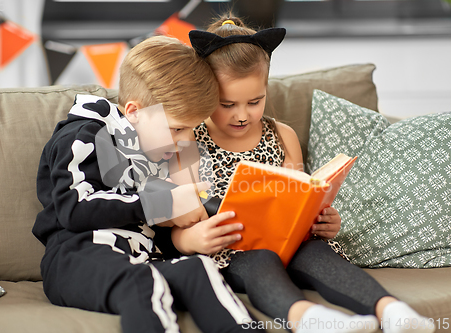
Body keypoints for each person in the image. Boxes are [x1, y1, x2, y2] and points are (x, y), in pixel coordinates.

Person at [168, 15, 436, 333]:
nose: (242, 115)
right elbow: (172, 218)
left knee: (318, 253)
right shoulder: (187, 140)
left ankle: (391, 311)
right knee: (260, 261)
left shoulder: (282, 135)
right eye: (227, 104)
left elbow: (299, 193)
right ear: (206, 93)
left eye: (255, 101)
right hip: (232, 252)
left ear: (266, 88)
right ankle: (309, 319)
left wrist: (322, 221)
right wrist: (189, 240)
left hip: (291, 242)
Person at [32, 35, 265, 333]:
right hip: (75, 258)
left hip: (138, 258)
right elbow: (73, 209)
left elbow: (146, 230)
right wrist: (163, 203)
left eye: (190, 129)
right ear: (134, 112)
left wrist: (186, 236)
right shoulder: (83, 136)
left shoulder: (156, 151)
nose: (184, 140)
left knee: (199, 268)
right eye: (178, 128)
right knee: (144, 282)